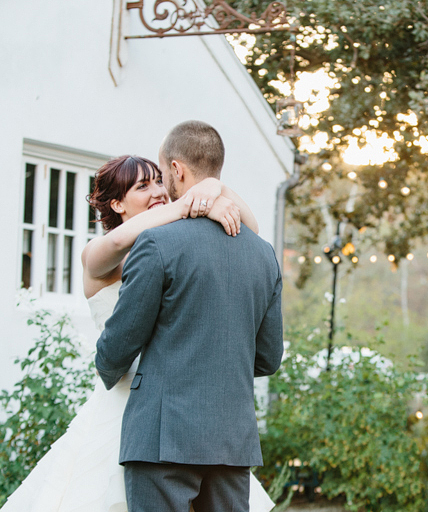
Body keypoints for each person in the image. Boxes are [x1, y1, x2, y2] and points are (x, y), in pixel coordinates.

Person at [0, 152, 276, 511]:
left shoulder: (172, 245)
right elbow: (117, 244)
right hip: (127, 401)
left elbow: (250, 228)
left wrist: (211, 185)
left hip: (184, 410)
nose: (158, 192)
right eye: (142, 186)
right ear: (117, 203)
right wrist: (189, 206)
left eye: (159, 181)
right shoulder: (99, 254)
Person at [95, 120, 283, 512]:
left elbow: (120, 344)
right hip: (232, 441)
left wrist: (108, 367)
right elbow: (268, 358)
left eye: (163, 175)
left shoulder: (156, 243)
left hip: (164, 438)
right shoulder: (264, 254)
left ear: (177, 170)